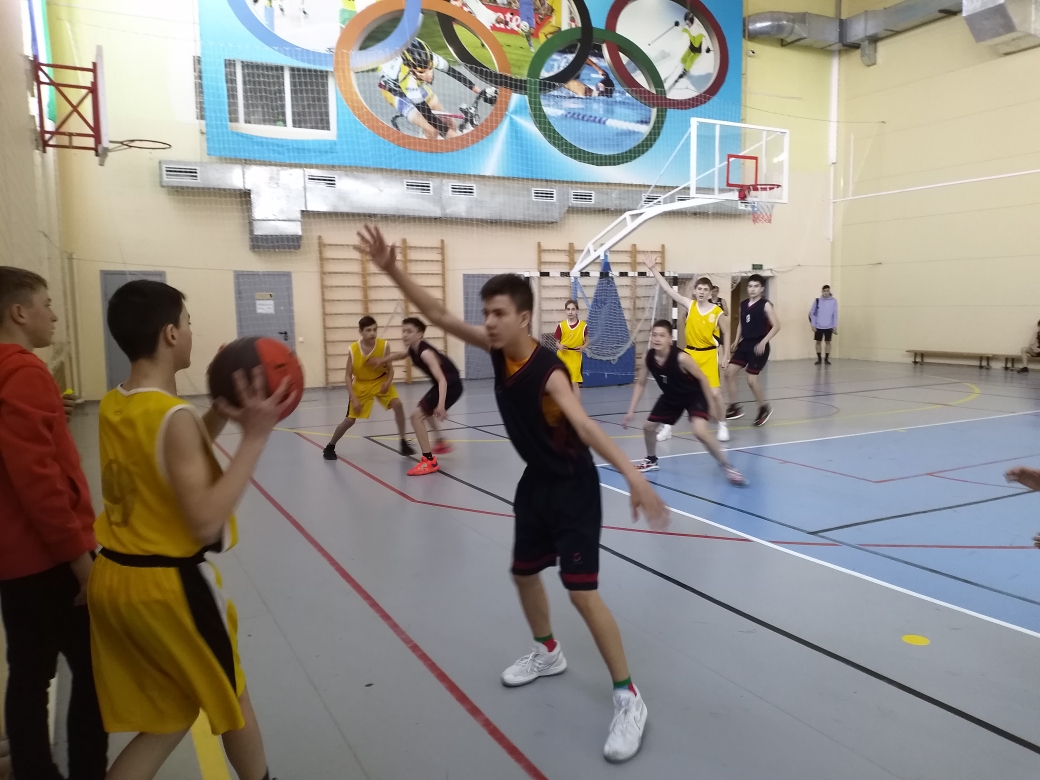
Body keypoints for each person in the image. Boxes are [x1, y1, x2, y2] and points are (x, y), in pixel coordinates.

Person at [359, 224, 669, 764]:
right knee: (523, 573)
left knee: (581, 593)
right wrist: (391, 269)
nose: (488, 321)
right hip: (535, 483)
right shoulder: (496, 348)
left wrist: (634, 477)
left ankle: (629, 697)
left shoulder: (550, 374)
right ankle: (548, 652)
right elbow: (439, 316)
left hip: (573, 488)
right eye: (486, 313)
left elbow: (586, 427)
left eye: (498, 313)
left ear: (523, 318)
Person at [88, 280, 294, 780]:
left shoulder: (116, 402)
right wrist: (254, 438)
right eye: (188, 322)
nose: (191, 331)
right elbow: (204, 521)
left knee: (171, 717)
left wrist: (217, 415)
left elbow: (167, 455)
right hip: (170, 589)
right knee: (232, 697)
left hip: (114, 577)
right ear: (170, 334)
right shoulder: (173, 415)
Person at [0, 267, 107, 780]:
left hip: (12, 559)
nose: (54, 315)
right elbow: (40, 485)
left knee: (28, 672)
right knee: (95, 671)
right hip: (47, 559)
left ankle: (33, 769)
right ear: (20, 312)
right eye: (46, 304)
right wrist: (80, 562)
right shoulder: (23, 372)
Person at [623, 320, 746, 485]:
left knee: (700, 432)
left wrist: (710, 405)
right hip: (671, 396)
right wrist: (631, 411)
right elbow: (640, 383)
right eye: (654, 335)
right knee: (648, 427)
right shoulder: (648, 358)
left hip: (694, 395)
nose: (657, 339)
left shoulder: (681, 358)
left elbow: (702, 378)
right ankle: (651, 460)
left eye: (662, 335)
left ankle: (728, 466)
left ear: (670, 339)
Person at [644, 263, 730, 443]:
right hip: (690, 355)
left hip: (709, 355)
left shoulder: (717, 311)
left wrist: (726, 354)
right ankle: (667, 427)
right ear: (694, 291)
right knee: (675, 392)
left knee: (715, 394)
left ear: (710, 293)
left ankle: (722, 424)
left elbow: (727, 332)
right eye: (699, 289)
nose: (702, 292)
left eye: (705, 289)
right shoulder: (690, 305)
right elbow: (668, 289)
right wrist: (653, 269)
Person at [368, 317, 463, 475]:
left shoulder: (426, 353)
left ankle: (429, 461)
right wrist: (382, 360)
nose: (405, 335)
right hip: (447, 384)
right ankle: (441, 442)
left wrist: (440, 405)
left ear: (420, 334)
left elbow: (442, 380)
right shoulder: (413, 349)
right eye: (403, 331)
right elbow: (400, 355)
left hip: (451, 386)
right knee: (424, 408)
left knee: (416, 417)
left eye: (409, 331)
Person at [323, 316, 413, 461]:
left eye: (374, 330)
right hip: (361, 384)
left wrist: (388, 382)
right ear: (361, 332)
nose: (372, 333)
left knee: (398, 404)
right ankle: (330, 446)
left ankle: (403, 442)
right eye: (368, 330)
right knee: (349, 421)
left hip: (380, 380)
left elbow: (390, 369)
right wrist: (353, 398)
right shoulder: (353, 350)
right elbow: (347, 376)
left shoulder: (384, 346)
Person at [379, 39, 496, 141]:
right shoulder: (406, 80)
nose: (429, 75)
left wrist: (480, 92)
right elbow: (427, 114)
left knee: (450, 123)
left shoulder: (430, 59)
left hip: (417, 86)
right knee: (432, 130)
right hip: (396, 94)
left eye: (430, 68)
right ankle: (423, 154)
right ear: (410, 68)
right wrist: (451, 135)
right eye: (421, 72)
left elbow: (454, 73)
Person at [724, 274, 780, 426]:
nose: (752, 289)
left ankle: (764, 408)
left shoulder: (765, 305)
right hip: (745, 344)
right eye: (750, 286)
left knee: (751, 380)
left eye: (756, 286)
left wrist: (764, 341)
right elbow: (741, 324)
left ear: (762, 289)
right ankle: (734, 407)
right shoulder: (743, 304)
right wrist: (736, 340)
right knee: (729, 372)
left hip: (759, 345)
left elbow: (777, 326)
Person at [555, 299, 587, 401]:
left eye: (573, 309)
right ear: (565, 311)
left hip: (575, 356)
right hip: (563, 356)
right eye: (568, 309)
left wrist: (583, 347)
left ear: (577, 310)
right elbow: (557, 342)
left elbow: (588, 341)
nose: (570, 312)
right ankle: (562, 406)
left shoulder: (583, 326)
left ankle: (576, 407)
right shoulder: (561, 325)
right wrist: (559, 346)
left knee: (574, 383)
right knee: (562, 383)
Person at [809, 285, 838, 365]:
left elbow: (835, 314)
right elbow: (812, 313)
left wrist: (835, 326)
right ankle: (819, 359)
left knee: (828, 342)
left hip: (829, 326)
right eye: (824, 291)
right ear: (822, 292)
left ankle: (826, 359)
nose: (826, 292)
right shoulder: (817, 301)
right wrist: (813, 325)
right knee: (818, 342)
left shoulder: (834, 301)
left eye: (827, 291)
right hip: (818, 326)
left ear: (829, 291)